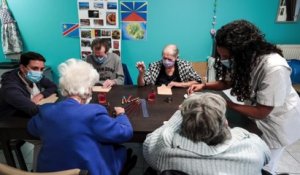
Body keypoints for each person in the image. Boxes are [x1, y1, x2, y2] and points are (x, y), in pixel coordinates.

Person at [188, 20, 300, 174]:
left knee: (264, 165)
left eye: (226, 56)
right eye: (221, 55)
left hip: (278, 122)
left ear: (242, 51)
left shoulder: (274, 68)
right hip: (259, 117)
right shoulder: (243, 61)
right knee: (248, 154)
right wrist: (204, 86)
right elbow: (227, 82)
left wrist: (226, 103)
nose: (224, 59)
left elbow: (262, 112)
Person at [27, 59, 135, 175]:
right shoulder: (93, 112)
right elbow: (125, 132)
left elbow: (31, 128)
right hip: (89, 171)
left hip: (50, 171)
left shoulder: (46, 111)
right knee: (120, 150)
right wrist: (121, 114)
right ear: (88, 89)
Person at [143, 92, 270, 175]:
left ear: (184, 124)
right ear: (225, 123)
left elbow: (149, 142)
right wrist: (237, 132)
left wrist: (179, 113)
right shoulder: (252, 149)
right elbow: (267, 155)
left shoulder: (163, 155)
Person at [0, 51, 57, 118]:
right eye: (34, 68)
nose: (39, 72)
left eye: (41, 69)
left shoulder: (36, 76)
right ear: (22, 68)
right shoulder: (10, 87)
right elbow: (33, 110)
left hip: (29, 111)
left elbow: (53, 86)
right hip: (12, 120)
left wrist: (41, 95)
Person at [136, 44, 202, 87]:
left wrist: (178, 84)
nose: (166, 61)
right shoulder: (154, 66)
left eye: (170, 59)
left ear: (177, 57)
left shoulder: (185, 65)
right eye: (164, 58)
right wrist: (141, 74)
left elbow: (198, 81)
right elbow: (141, 85)